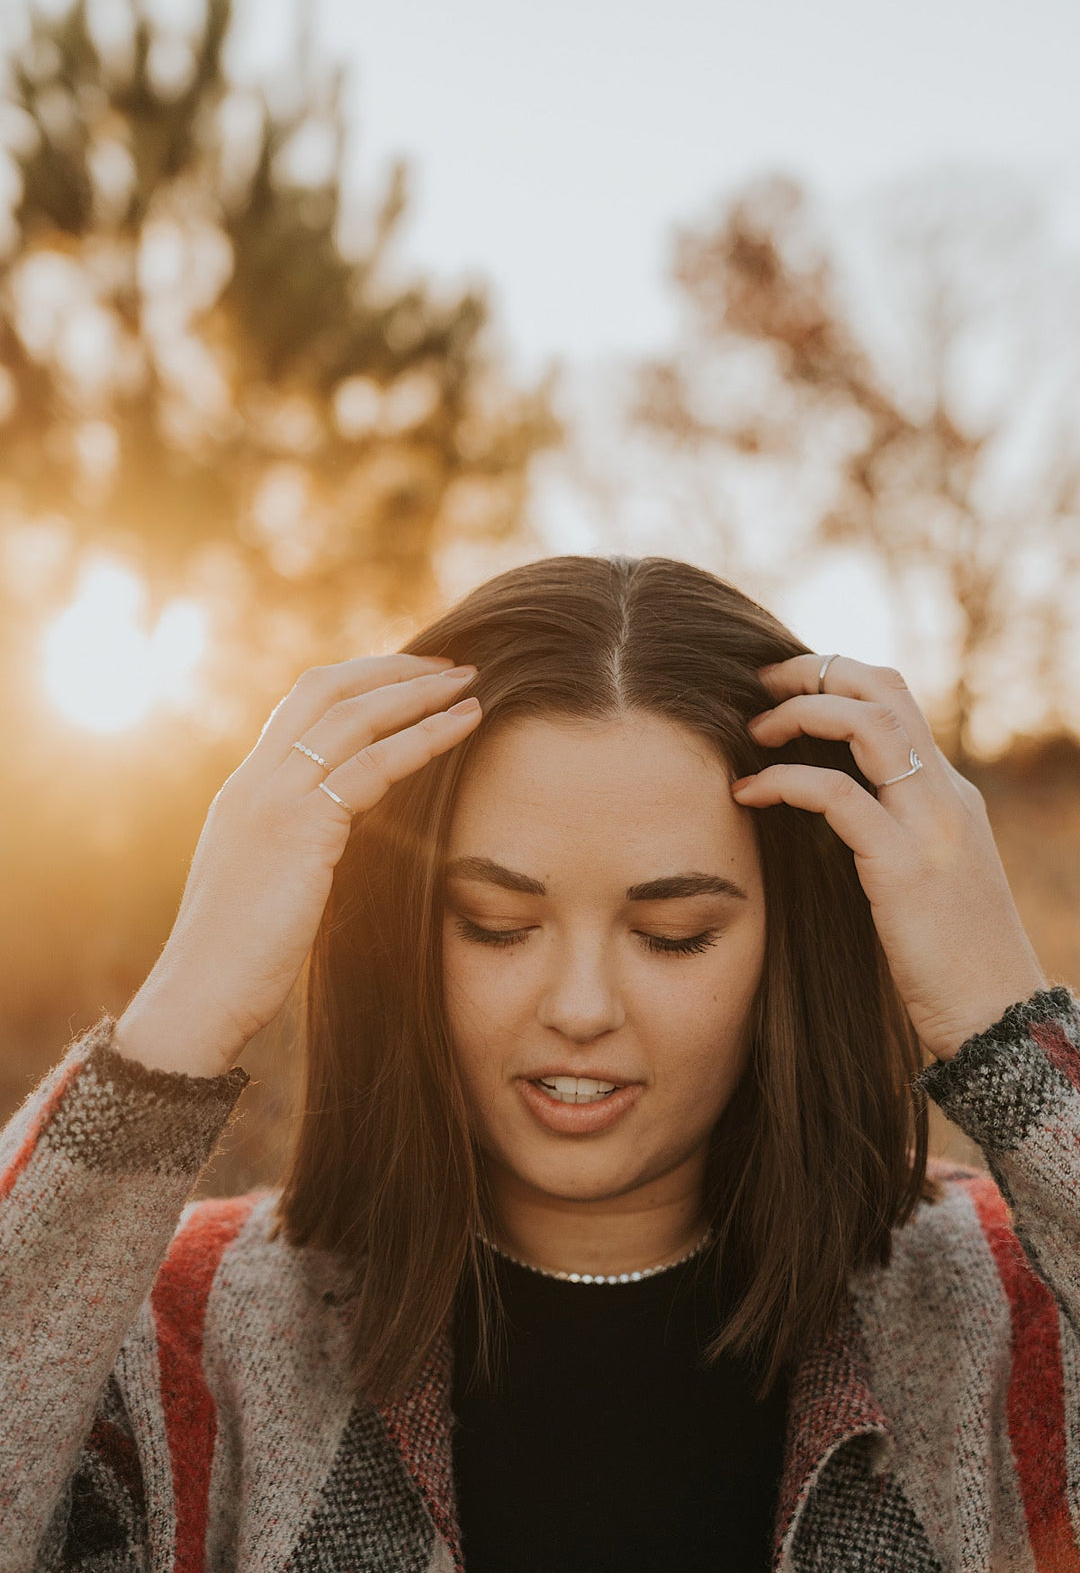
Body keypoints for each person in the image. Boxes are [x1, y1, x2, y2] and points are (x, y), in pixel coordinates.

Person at [0, 552, 1075, 1573]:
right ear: (406, 932)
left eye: (675, 935)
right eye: (495, 921)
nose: (579, 1009)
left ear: (790, 946)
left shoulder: (1005, 1300)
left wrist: (1004, 1024)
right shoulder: (174, 1326)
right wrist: (181, 1016)